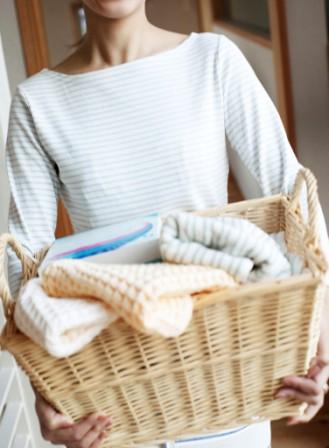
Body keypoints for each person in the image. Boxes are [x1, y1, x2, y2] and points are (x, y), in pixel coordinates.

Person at [5, 0, 329, 447]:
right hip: (113, 396)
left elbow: (296, 195)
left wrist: (318, 339)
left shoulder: (212, 59)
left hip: (226, 373)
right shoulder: (36, 102)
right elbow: (22, 260)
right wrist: (46, 389)